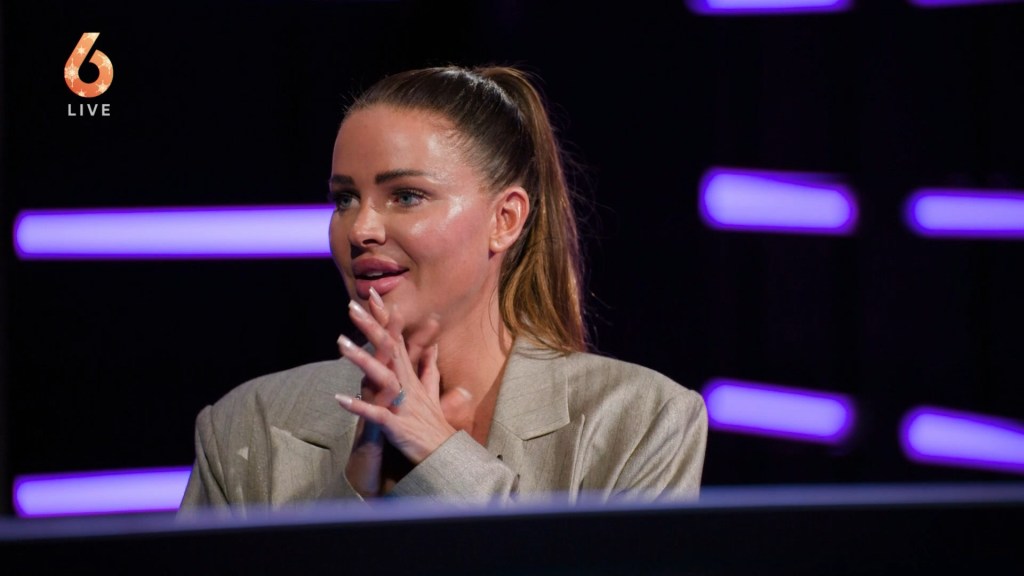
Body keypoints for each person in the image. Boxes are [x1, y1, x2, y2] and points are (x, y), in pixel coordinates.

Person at [179, 65, 707, 512]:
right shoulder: (246, 427)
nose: (361, 229)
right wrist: (358, 486)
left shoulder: (642, 420)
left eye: (406, 196)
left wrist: (441, 458)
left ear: (505, 219)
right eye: (344, 199)